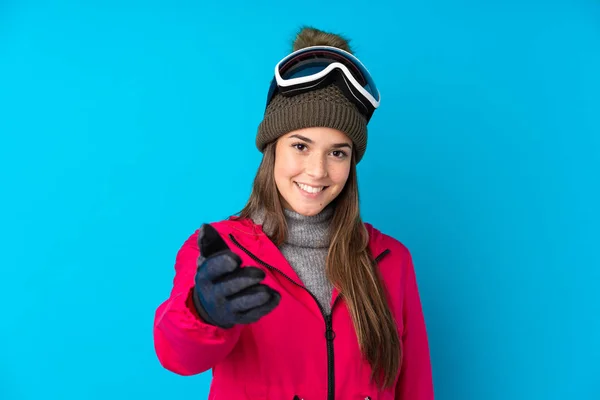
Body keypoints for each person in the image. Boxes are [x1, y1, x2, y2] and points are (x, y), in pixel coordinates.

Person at [153, 26, 434, 400]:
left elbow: (414, 386)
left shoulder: (391, 259)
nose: (317, 171)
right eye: (301, 146)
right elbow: (178, 357)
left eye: (338, 152)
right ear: (272, 148)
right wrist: (203, 313)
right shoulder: (222, 250)